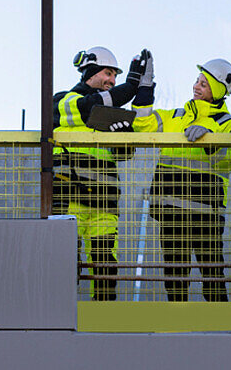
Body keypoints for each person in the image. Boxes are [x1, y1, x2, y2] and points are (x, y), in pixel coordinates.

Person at [133, 58, 231, 302]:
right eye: (197, 81)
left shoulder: (225, 123)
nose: (196, 86)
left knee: (212, 273)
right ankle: (178, 328)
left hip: (206, 211)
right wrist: (144, 88)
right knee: (175, 275)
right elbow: (142, 124)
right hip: (171, 209)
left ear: (217, 91)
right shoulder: (176, 116)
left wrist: (211, 142)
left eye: (204, 84)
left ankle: (221, 327)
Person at [53, 46, 152, 301]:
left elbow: (124, 154)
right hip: (68, 199)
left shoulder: (108, 112)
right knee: (64, 267)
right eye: (108, 73)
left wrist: (123, 137)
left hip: (104, 202)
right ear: (90, 72)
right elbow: (89, 107)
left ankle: (104, 321)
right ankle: (60, 324)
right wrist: (130, 87)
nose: (111, 81)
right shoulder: (63, 100)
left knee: (106, 267)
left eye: (115, 77)